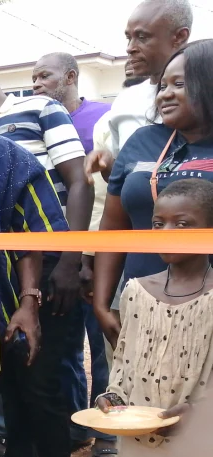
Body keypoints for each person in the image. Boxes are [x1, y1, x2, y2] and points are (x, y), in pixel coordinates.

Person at [0, 54, 91, 457]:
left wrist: (71, 257)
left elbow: (78, 181)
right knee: (5, 382)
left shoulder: (40, 107)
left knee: (42, 383)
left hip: (48, 258)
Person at [95, 178, 213, 457]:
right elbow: (123, 363)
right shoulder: (137, 291)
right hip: (141, 437)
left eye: (183, 224)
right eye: (158, 223)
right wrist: (113, 397)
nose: (166, 234)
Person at [96, 39, 213, 349]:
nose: (166, 93)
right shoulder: (141, 141)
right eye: (162, 86)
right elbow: (112, 228)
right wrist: (103, 302)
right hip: (139, 305)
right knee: (136, 396)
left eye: (179, 84)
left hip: (208, 313)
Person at [32, 51, 117, 457]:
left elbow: (99, 189)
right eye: (33, 76)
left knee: (103, 347)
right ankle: (71, 427)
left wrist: (85, 254)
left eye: (44, 75)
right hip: (64, 256)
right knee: (64, 348)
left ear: (70, 76)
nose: (37, 82)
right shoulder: (34, 118)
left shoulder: (102, 118)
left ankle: (108, 434)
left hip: (104, 252)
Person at [86, 0, 192, 182]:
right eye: (129, 38)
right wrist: (108, 163)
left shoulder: (204, 94)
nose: (130, 48)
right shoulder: (126, 101)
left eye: (142, 37)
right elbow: (125, 176)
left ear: (179, 36)